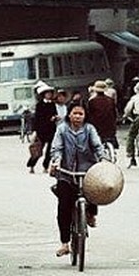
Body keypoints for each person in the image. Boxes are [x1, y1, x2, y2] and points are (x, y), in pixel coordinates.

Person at [49, 103, 104, 257]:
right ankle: (65, 243)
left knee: (95, 191)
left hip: (88, 172)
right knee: (63, 207)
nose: (78, 117)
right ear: (70, 115)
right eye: (75, 113)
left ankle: (91, 214)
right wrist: (56, 162)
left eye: (81, 114)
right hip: (66, 173)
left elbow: (97, 147)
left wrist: (102, 159)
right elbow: (57, 148)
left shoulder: (89, 129)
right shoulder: (62, 129)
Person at [26, 83, 57, 173]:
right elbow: (37, 118)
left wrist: (55, 118)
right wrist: (35, 130)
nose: (49, 95)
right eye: (47, 93)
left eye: (50, 93)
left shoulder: (52, 104)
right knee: (38, 149)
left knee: (50, 151)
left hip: (51, 129)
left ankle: (45, 166)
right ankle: (32, 165)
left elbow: (54, 113)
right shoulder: (39, 105)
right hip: (41, 130)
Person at [87, 79, 119, 150]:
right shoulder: (110, 100)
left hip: (97, 124)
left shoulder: (92, 101)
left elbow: (90, 114)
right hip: (110, 124)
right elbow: (114, 113)